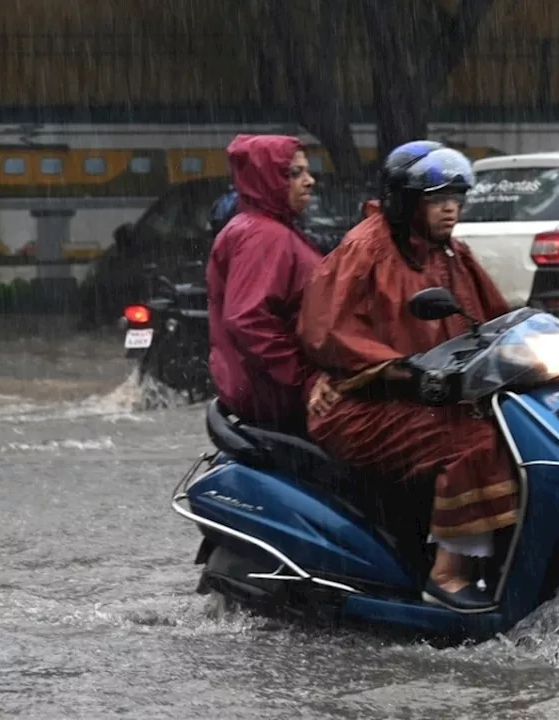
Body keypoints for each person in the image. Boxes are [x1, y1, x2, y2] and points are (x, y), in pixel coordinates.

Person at [297, 141, 516, 611]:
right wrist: (405, 372)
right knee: (471, 441)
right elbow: (331, 334)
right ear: (406, 201)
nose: (450, 209)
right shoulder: (365, 249)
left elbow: (493, 320)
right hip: (360, 403)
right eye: (438, 200)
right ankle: (448, 574)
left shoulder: (452, 253)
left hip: (428, 395)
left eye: (456, 199)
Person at [206, 134, 320, 432]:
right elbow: (248, 319)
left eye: (308, 171)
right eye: (294, 174)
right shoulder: (264, 235)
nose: (309, 181)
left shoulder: (262, 228)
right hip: (279, 396)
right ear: (267, 178)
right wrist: (304, 377)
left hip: (268, 391)